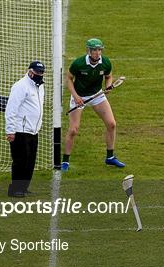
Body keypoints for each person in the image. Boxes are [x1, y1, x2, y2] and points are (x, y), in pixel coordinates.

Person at [62, 38, 125, 171]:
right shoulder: (78, 63)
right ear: (89, 51)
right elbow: (68, 78)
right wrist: (76, 96)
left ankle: (110, 157)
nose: (97, 53)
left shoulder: (105, 63)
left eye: (99, 50)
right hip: (79, 96)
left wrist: (107, 86)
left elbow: (108, 76)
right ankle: (65, 161)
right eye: (94, 50)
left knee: (112, 124)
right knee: (73, 130)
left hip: (97, 95)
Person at [5, 61, 46, 197]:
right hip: (20, 130)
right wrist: (10, 130)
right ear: (30, 71)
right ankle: (15, 189)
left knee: (30, 161)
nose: (39, 74)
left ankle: (23, 187)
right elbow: (11, 109)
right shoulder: (20, 86)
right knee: (20, 161)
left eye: (41, 72)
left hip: (33, 130)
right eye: (37, 72)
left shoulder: (40, 86)